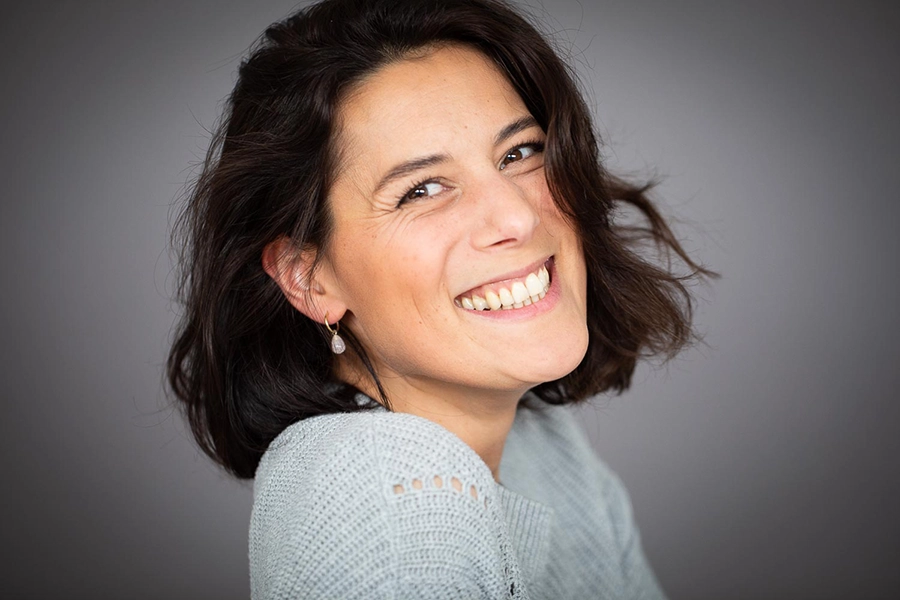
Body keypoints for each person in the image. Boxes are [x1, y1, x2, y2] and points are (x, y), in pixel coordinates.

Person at [167, 0, 711, 597]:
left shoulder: (549, 449)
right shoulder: (388, 507)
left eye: (519, 152)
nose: (517, 217)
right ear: (309, 278)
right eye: (422, 190)